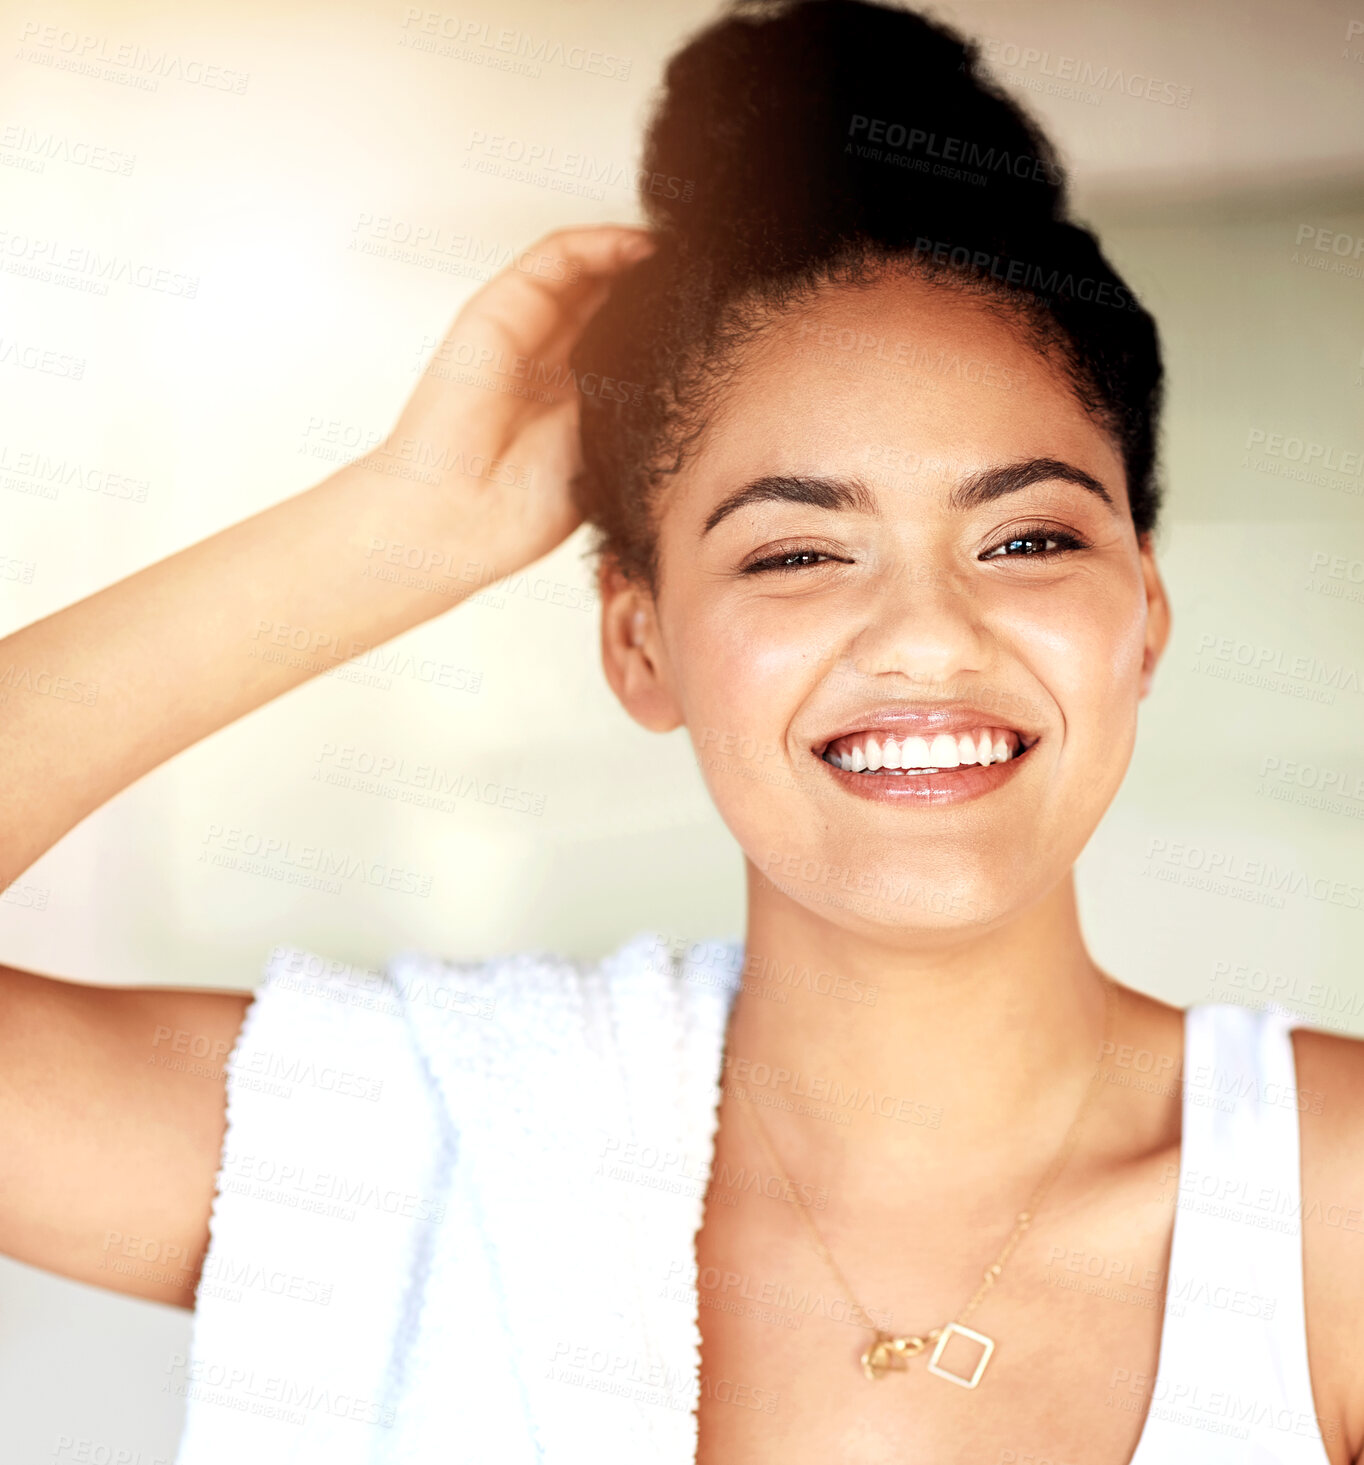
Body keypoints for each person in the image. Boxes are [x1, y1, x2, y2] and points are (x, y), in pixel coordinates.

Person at [1, 1, 1361, 1461]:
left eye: (1027, 540)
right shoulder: (405, 1143)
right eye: (795, 553)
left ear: (1143, 612)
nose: (925, 635)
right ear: (638, 640)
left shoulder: (1329, 1214)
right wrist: (394, 531)